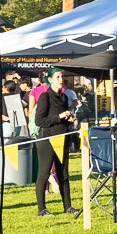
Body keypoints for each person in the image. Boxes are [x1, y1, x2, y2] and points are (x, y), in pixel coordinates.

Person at [30, 74, 75, 213]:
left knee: (64, 174)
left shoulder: (64, 97)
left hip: (62, 138)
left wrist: (68, 119)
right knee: (44, 174)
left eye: (62, 77)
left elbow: (59, 118)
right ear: (49, 80)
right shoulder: (45, 97)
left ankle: (68, 207)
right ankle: (41, 209)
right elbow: (40, 121)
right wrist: (59, 117)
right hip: (47, 140)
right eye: (57, 77)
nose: (61, 79)